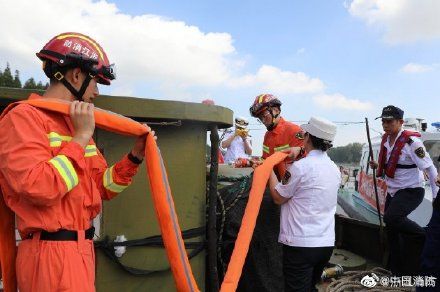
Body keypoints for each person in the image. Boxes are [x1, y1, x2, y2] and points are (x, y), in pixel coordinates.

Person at [0, 32, 155, 292]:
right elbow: (38, 187)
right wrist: (81, 137)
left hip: (81, 251)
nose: (96, 92)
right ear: (75, 76)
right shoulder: (24, 119)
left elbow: (102, 187)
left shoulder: (76, 124)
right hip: (48, 255)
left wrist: (134, 157)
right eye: (95, 82)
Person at [268, 117, 340, 292]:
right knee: (310, 287)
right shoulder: (334, 169)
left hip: (300, 245)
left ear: (307, 137)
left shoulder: (300, 168)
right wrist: (300, 150)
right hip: (325, 244)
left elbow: (278, 197)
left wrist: (268, 168)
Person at [369, 105, 438, 276]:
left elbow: (430, 168)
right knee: (391, 230)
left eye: (389, 121)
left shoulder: (412, 143)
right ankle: (398, 272)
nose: (385, 125)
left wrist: (436, 196)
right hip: (394, 191)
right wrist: (378, 166)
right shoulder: (386, 140)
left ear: (400, 122)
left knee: (392, 217)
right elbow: (395, 165)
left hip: (411, 190)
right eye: (383, 121)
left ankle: (421, 236)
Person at [249, 93, 305, 178]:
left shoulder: (294, 131)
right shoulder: (267, 135)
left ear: (276, 110)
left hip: (293, 184)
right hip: (274, 181)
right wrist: (258, 162)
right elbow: (265, 159)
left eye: (264, 115)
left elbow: (308, 160)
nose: (263, 121)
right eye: (260, 118)